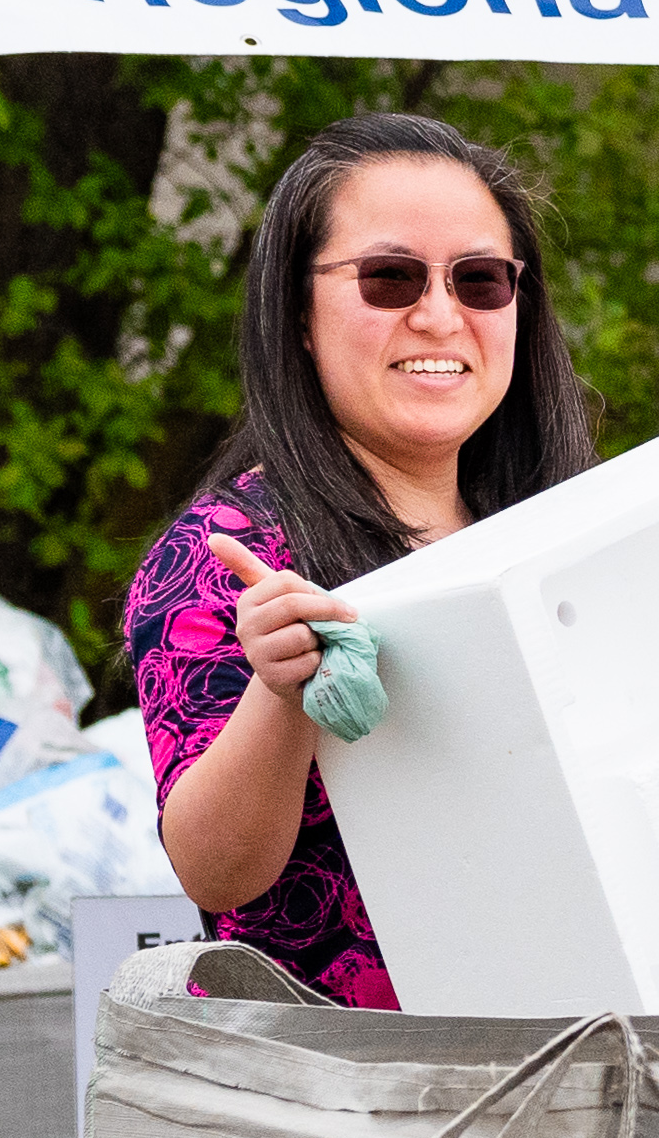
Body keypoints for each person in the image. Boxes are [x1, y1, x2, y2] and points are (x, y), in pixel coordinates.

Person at [123, 112, 600, 1007]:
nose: (438, 314)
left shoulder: (570, 526)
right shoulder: (226, 556)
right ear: (298, 315)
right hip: (350, 1099)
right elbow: (216, 874)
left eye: (480, 280)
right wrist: (278, 690)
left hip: (585, 1047)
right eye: (388, 278)